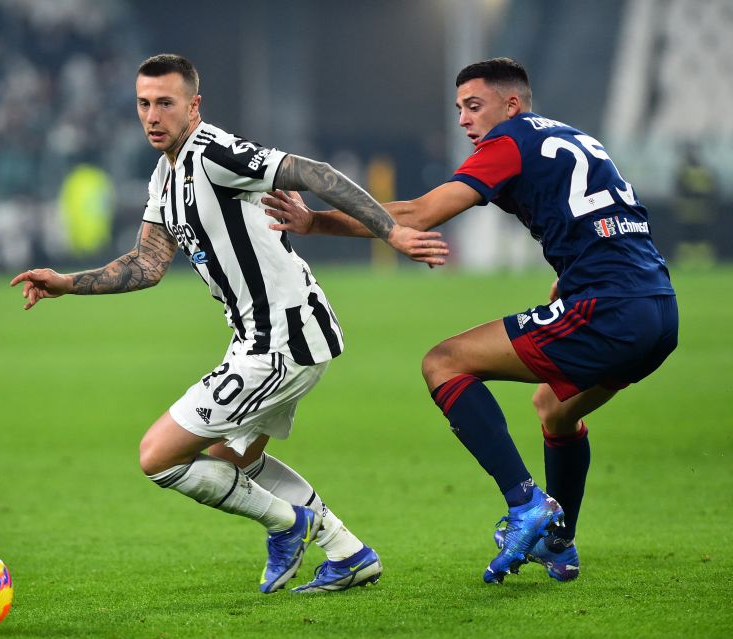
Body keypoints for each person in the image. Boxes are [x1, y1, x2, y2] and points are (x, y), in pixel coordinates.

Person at [11, 54, 448, 593]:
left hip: (280, 341)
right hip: (271, 339)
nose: (152, 115)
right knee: (229, 459)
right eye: (144, 104)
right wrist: (66, 283)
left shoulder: (212, 152)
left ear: (194, 106)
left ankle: (291, 524)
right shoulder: (165, 175)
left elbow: (317, 174)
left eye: (166, 103)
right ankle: (347, 552)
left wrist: (391, 232)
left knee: (160, 458)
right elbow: (147, 264)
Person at [263, 57, 678, 584]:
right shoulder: (575, 139)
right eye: (460, 107)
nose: (463, 119)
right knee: (554, 408)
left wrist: (315, 222)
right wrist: (571, 277)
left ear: (512, 104)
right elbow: (607, 221)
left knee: (444, 363)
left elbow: (418, 213)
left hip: (608, 308)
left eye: (474, 105)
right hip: (659, 308)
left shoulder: (510, 142)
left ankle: (525, 502)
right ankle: (559, 543)